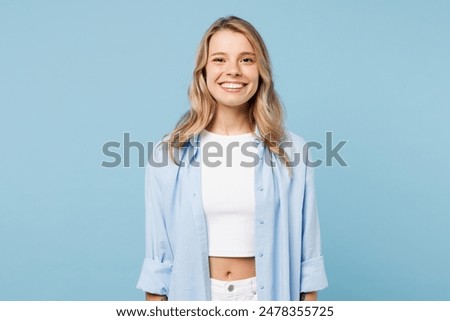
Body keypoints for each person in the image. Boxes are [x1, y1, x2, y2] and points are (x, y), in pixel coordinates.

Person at [137, 16, 328, 301]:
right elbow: (158, 259)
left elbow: (308, 256)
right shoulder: (169, 153)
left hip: (267, 297)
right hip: (194, 298)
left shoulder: (293, 152)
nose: (233, 71)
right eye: (219, 59)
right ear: (202, 71)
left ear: (261, 71)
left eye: (247, 60)